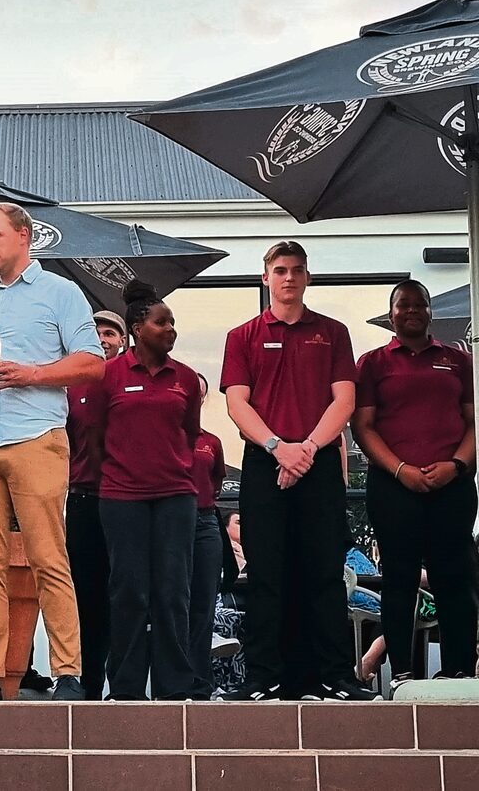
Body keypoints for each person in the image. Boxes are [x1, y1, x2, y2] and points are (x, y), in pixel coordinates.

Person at [0, 201, 104, 702]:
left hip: (35, 436)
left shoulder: (60, 292)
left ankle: (68, 673)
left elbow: (93, 364)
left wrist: (32, 374)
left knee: (47, 558)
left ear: (23, 237)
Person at [219, 240, 377, 701]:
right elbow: (235, 403)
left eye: (297, 270)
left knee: (325, 573)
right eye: (280, 270)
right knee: (266, 574)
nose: (289, 277)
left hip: (320, 460)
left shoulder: (332, 332)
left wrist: (305, 450)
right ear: (265, 277)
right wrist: (277, 448)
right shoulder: (242, 335)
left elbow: (343, 400)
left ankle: (334, 678)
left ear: (307, 277)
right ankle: (263, 679)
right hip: (264, 461)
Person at [352, 279, 478, 684]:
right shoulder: (372, 363)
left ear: (430, 311)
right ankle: (402, 671)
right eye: (403, 305)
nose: (411, 311)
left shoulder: (458, 360)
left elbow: (473, 422)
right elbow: (363, 427)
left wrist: (456, 465)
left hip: (452, 484)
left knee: (454, 576)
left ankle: (459, 669)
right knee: (400, 579)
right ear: (391, 314)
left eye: (419, 304)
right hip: (394, 485)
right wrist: (401, 468)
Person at [87, 280, 201, 700]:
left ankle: (174, 687)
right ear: (137, 328)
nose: (170, 329)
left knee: (173, 591)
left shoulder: (185, 379)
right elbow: (96, 437)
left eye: (172, 322)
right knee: (129, 591)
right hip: (121, 498)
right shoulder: (108, 375)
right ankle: (127, 688)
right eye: (161, 322)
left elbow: (188, 434)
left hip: (175, 497)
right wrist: (122, 473)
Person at [63, 309, 126, 700]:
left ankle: (124, 683)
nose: (102, 338)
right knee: (86, 595)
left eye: (109, 332)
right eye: (95, 331)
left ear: (123, 340)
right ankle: (86, 683)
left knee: (125, 593)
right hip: (82, 499)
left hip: (127, 501)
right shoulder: (70, 386)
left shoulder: (131, 382)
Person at [189, 374, 227, 700]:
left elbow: (215, 482)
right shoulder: (165, 436)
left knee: (203, 603)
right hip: (169, 522)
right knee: (171, 603)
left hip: (205, 521)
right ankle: (171, 679)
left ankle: (201, 682)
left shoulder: (210, 441)